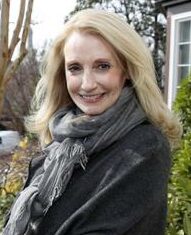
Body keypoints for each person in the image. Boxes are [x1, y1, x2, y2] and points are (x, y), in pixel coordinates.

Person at [3, 9, 182, 235]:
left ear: (126, 70)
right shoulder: (60, 143)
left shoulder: (144, 147)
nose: (87, 84)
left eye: (102, 66)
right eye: (75, 68)